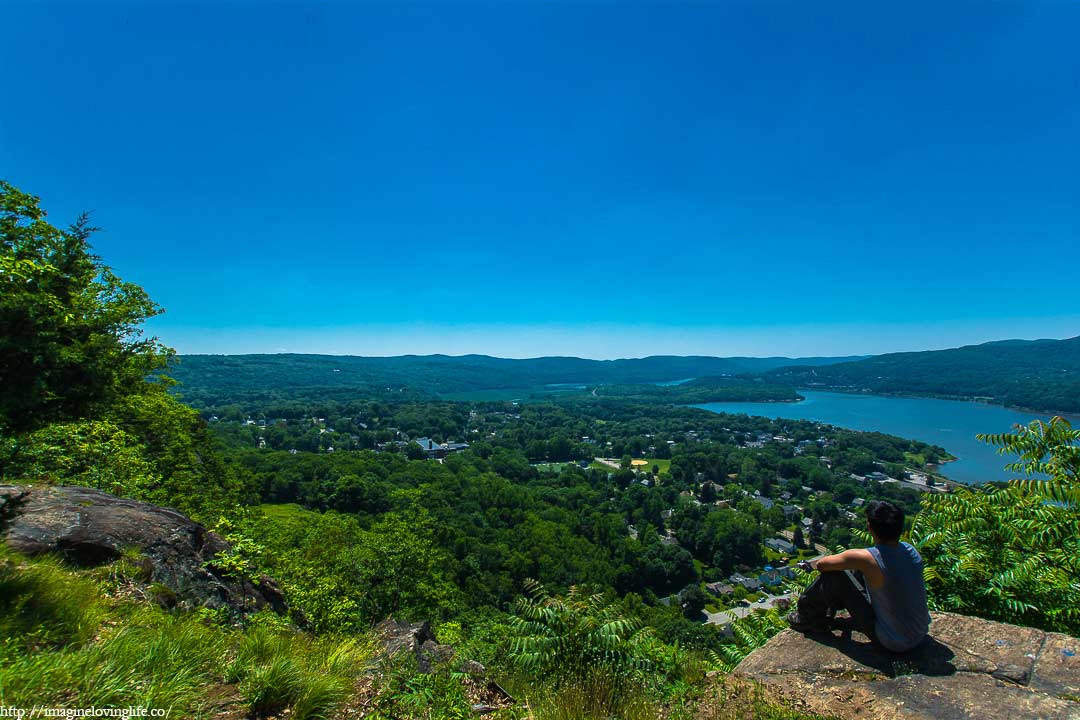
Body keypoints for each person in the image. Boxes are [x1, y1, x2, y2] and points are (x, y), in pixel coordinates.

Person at [785, 500, 930, 652]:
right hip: (919, 633)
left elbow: (822, 565)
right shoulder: (911, 551)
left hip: (892, 641)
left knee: (835, 575)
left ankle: (807, 618)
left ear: (870, 527)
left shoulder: (867, 558)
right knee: (856, 570)